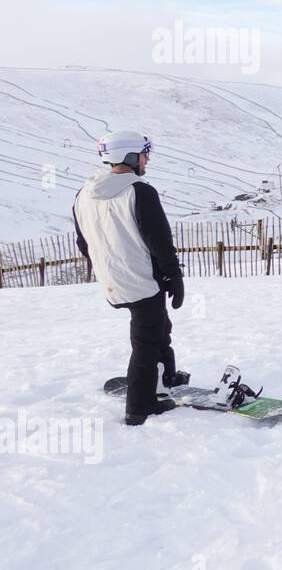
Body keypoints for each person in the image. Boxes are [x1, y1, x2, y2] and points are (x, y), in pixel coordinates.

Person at [72, 130, 187, 425]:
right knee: (145, 341)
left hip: (114, 280)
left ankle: (166, 377)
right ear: (132, 156)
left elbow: (83, 242)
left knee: (158, 325)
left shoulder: (83, 194)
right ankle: (140, 406)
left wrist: (108, 270)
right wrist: (174, 277)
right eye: (145, 154)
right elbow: (159, 241)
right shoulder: (140, 191)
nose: (148, 160)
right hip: (143, 280)